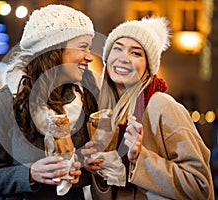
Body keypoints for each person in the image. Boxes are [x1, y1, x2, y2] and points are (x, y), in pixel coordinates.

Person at [81, 17, 215, 199]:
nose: (123, 58)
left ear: (148, 66)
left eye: (136, 53)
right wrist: (98, 170)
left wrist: (140, 158)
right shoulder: (104, 113)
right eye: (117, 48)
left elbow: (201, 187)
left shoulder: (162, 106)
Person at [0, 4, 99, 200]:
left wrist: (83, 169)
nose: (89, 57)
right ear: (54, 49)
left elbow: (85, 175)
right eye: (82, 47)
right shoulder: (3, 102)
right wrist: (30, 174)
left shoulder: (86, 98)